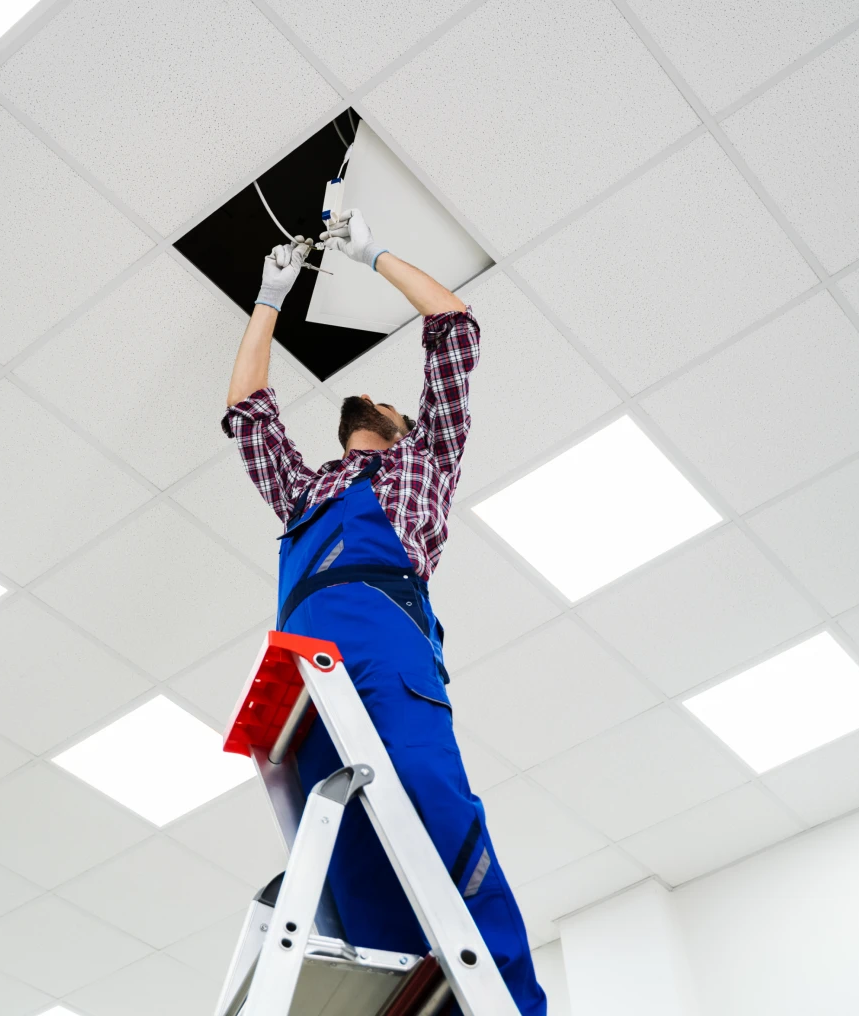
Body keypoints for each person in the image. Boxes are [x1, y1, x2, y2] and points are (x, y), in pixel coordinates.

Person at [222, 208, 546, 1016]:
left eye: (383, 403)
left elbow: (453, 327)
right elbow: (247, 413)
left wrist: (373, 255)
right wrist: (269, 297)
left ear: (402, 427)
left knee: (432, 808)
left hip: (384, 645)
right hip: (303, 672)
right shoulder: (305, 489)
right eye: (358, 403)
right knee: (344, 868)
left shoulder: (424, 459)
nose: (368, 400)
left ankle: (510, 1002)